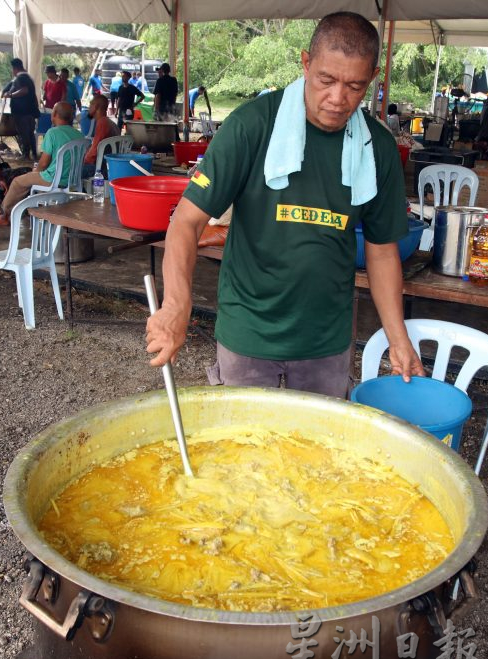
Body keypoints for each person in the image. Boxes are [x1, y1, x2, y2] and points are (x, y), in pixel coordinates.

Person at [146, 11, 423, 397]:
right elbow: (187, 222)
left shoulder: (375, 147)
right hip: (249, 331)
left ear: (373, 79)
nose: (338, 98)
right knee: (242, 446)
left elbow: (380, 250)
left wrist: (398, 338)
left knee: (313, 451)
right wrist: (177, 304)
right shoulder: (251, 126)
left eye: (355, 86)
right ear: (306, 63)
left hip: (326, 340)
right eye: (326, 80)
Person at [0, 101, 84, 226]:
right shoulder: (79, 134)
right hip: (72, 180)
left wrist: (34, 172)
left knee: (18, 182)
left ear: (54, 114)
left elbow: (43, 164)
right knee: (30, 180)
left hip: (52, 179)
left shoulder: (52, 133)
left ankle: (4, 214)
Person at [1, 58, 40, 161]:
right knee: (30, 134)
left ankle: (26, 155)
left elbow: (24, 90)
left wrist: (10, 95)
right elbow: (33, 95)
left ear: (15, 68)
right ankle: (34, 155)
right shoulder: (28, 78)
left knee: (24, 134)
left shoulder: (21, 78)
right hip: (30, 111)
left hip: (22, 112)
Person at [81, 95, 120, 178]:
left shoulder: (102, 123)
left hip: (100, 170)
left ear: (96, 107)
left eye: (90, 104)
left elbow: (94, 152)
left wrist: (83, 161)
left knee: (70, 171)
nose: (89, 107)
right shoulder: (112, 123)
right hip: (112, 167)